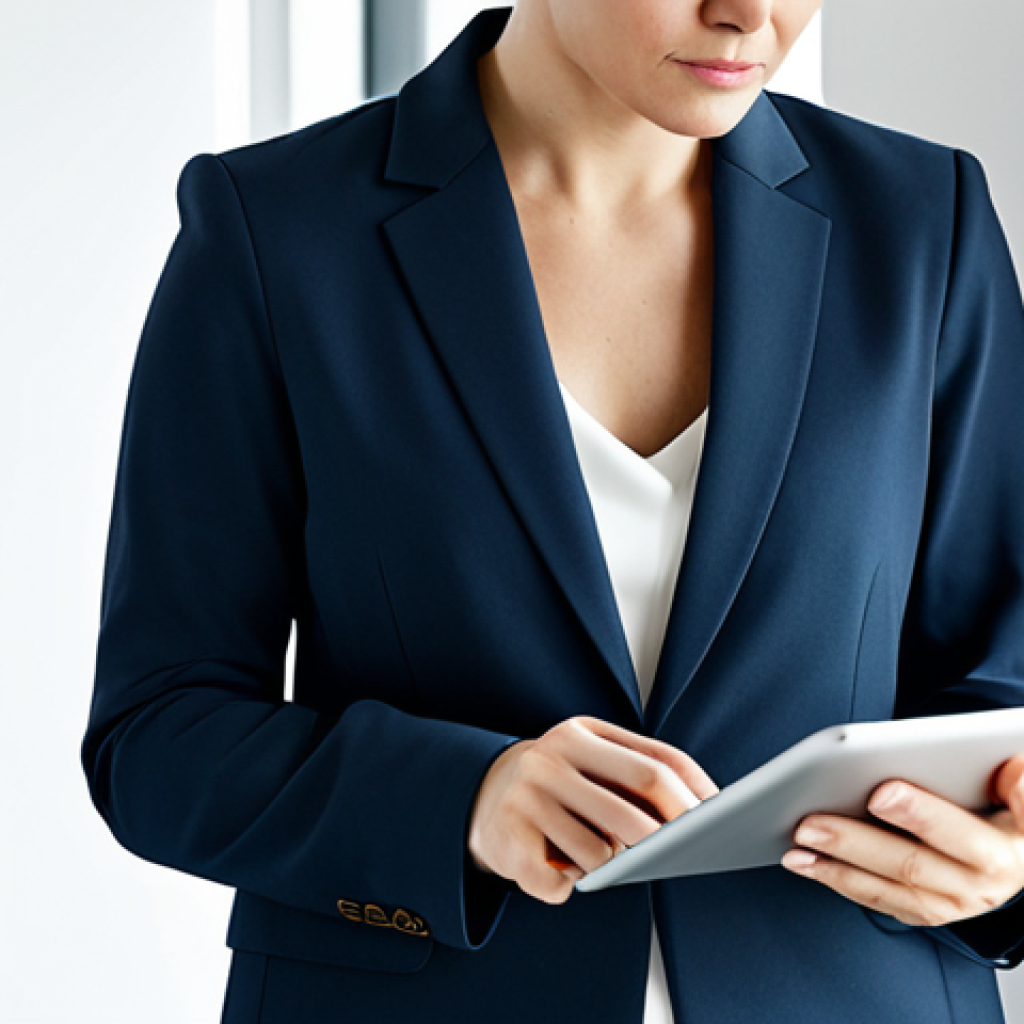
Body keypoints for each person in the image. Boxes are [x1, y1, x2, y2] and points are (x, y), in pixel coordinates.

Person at [81, 3, 1024, 1022]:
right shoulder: (276, 228)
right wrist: (462, 800)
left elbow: (1000, 677)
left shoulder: (927, 219)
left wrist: (1004, 861)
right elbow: (158, 732)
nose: (748, 14)